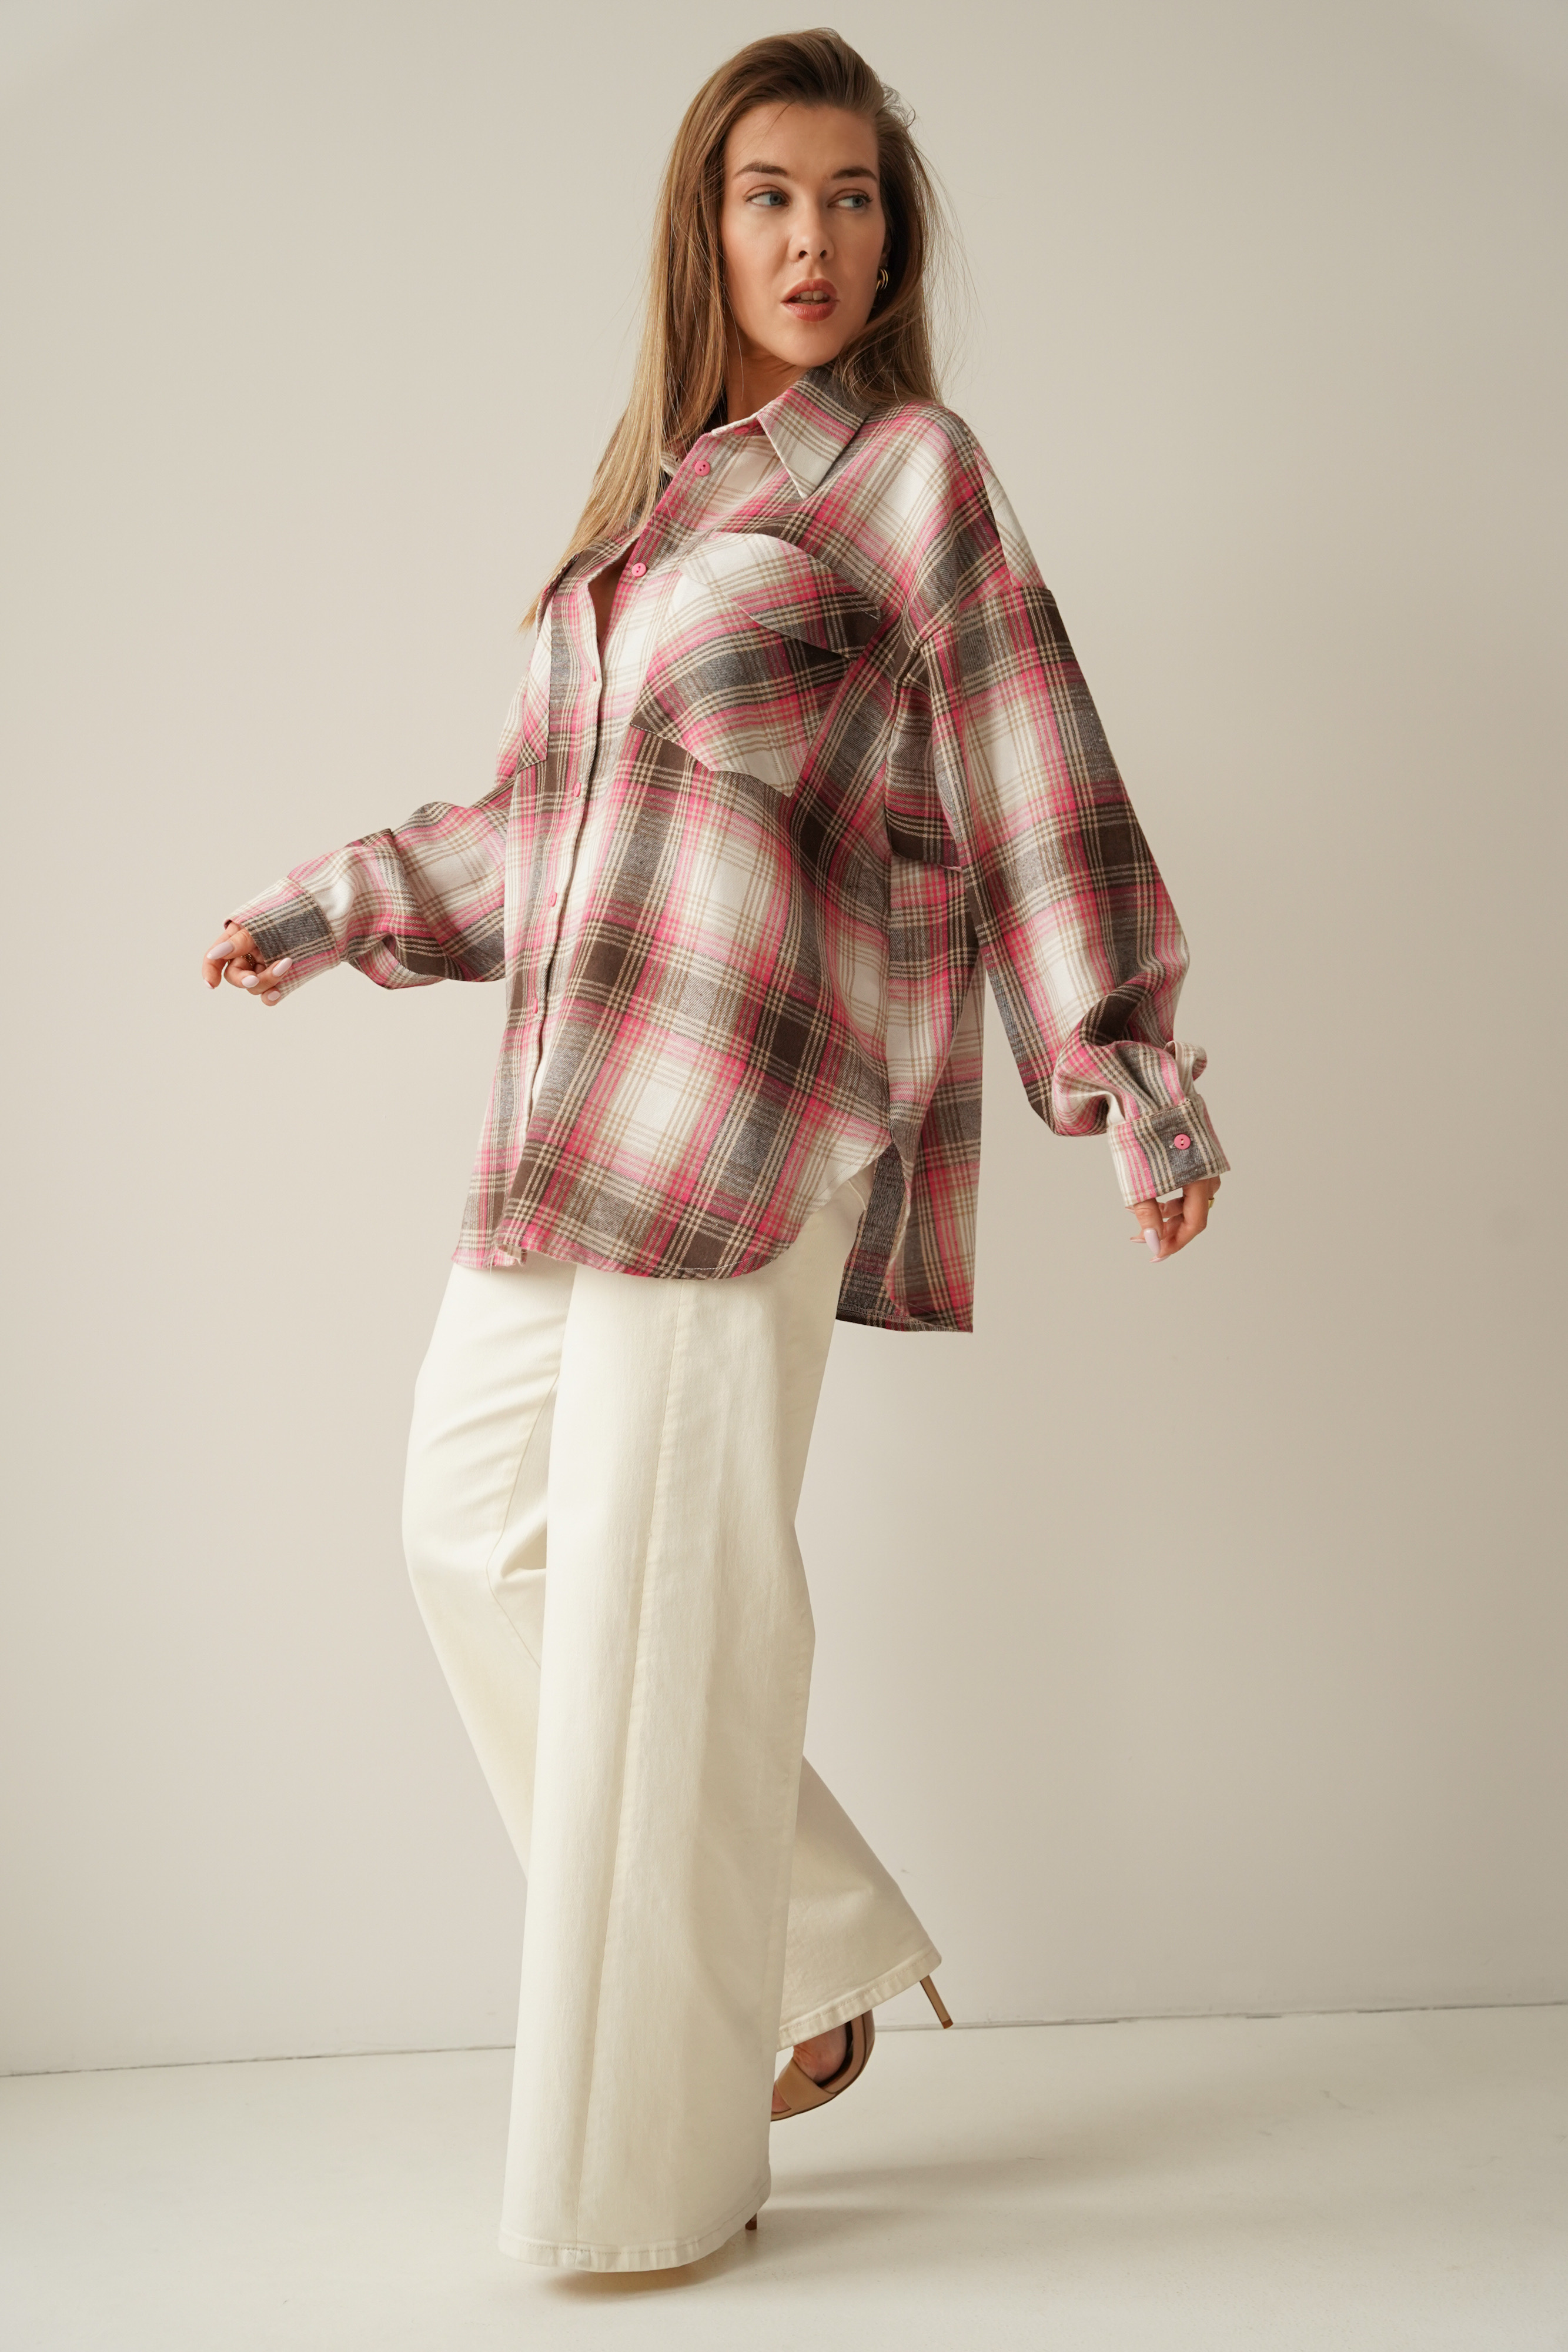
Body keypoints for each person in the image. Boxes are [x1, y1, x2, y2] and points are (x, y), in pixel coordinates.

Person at [201, 26, 1227, 2274]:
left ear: (894, 238)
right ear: (707, 225)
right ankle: (808, 1946)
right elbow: (542, 830)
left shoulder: (912, 479)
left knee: (664, 1628)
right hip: (577, 1116)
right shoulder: (650, 506)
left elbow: (1034, 761)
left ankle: (636, 2197)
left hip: (762, 1117)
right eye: (771, 195)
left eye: (851, 198)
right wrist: (337, 904)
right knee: (468, 1535)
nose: (813, 238)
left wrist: (1126, 1068)